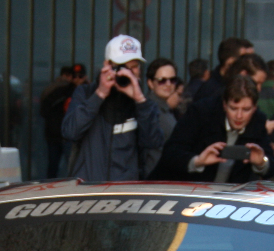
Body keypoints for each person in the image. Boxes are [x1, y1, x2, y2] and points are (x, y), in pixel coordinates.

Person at [61, 34, 164, 182]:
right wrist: (100, 94)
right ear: (107, 65)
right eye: (122, 67)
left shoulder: (143, 104)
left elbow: (153, 142)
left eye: (134, 67)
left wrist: (139, 100)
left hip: (125, 195)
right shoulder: (86, 93)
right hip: (89, 191)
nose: (128, 73)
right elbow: (70, 131)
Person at [155, 76, 274, 183]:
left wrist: (261, 162)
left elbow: (271, 165)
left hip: (227, 199)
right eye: (233, 108)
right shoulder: (201, 113)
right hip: (184, 191)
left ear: (254, 108)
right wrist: (197, 161)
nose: (239, 116)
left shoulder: (258, 120)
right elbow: (171, 153)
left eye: (246, 109)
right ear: (224, 105)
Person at [39, 64, 85, 178]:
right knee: (61, 167)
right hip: (59, 135)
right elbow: (44, 110)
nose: (77, 79)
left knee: (70, 168)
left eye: (80, 76)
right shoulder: (60, 90)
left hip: (64, 135)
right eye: (74, 76)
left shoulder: (90, 91)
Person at [143, 57, 181, 176]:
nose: (168, 84)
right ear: (150, 83)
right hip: (153, 177)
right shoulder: (149, 110)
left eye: (172, 80)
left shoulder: (166, 109)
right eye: (161, 80)